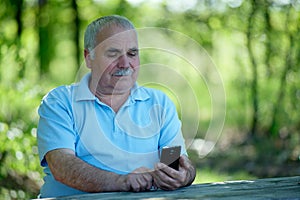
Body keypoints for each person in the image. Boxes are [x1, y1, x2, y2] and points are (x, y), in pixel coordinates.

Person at [37, 15, 196, 198]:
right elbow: (62, 165)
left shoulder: (160, 104)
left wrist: (182, 176)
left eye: (132, 53)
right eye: (113, 54)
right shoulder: (60, 102)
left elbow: (174, 164)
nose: (125, 63)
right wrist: (122, 182)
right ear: (89, 58)